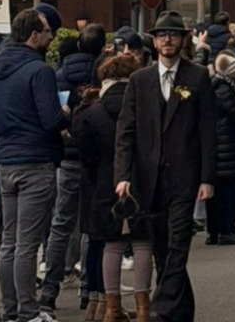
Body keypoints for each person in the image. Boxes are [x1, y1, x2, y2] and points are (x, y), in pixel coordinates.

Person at [114, 11, 217, 322]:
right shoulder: (139, 80)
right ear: (154, 42)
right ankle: (180, 311)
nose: (167, 40)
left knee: (178, 241)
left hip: (185, 174)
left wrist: (207, 177)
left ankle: (161, 306)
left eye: (173, 34)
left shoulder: (198, 76)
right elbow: (125, 131)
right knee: (161, 246)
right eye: (161, 35)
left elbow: (208, 130)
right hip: (148, 176)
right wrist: (122, 176)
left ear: (182, 39)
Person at [0, 8, 67, 322]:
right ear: (33, 35)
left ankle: (10, 309)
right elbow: (51, 119)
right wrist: (67, 115)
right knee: (28, 243)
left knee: (9, 241)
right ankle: (29, 311)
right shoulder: (39, 70)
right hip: (35, 160)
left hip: (5, 160)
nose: (51, 37)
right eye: (47, 32)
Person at [73, 54, 153, 322]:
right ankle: (143, 307)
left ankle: (112, 308)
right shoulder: (143, 109)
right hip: (141, 180)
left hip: (104, 182)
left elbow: (86, 154)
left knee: (112, 245)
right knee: (142, 243)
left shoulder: (94, 112)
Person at [41, 24, 102, 313]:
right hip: (93, 157)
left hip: (66, 156)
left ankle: (50, 289)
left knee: (60, 223)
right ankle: (88, 289)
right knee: (91, 224)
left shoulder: (59, 76)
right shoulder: (101, 73)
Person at [208, 53, 235, 246]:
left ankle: (215, 230)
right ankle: (226, 230)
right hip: (227, 142)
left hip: (217, 142)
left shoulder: (214, 85)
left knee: (217, 192)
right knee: (230, 191)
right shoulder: (225, 89)